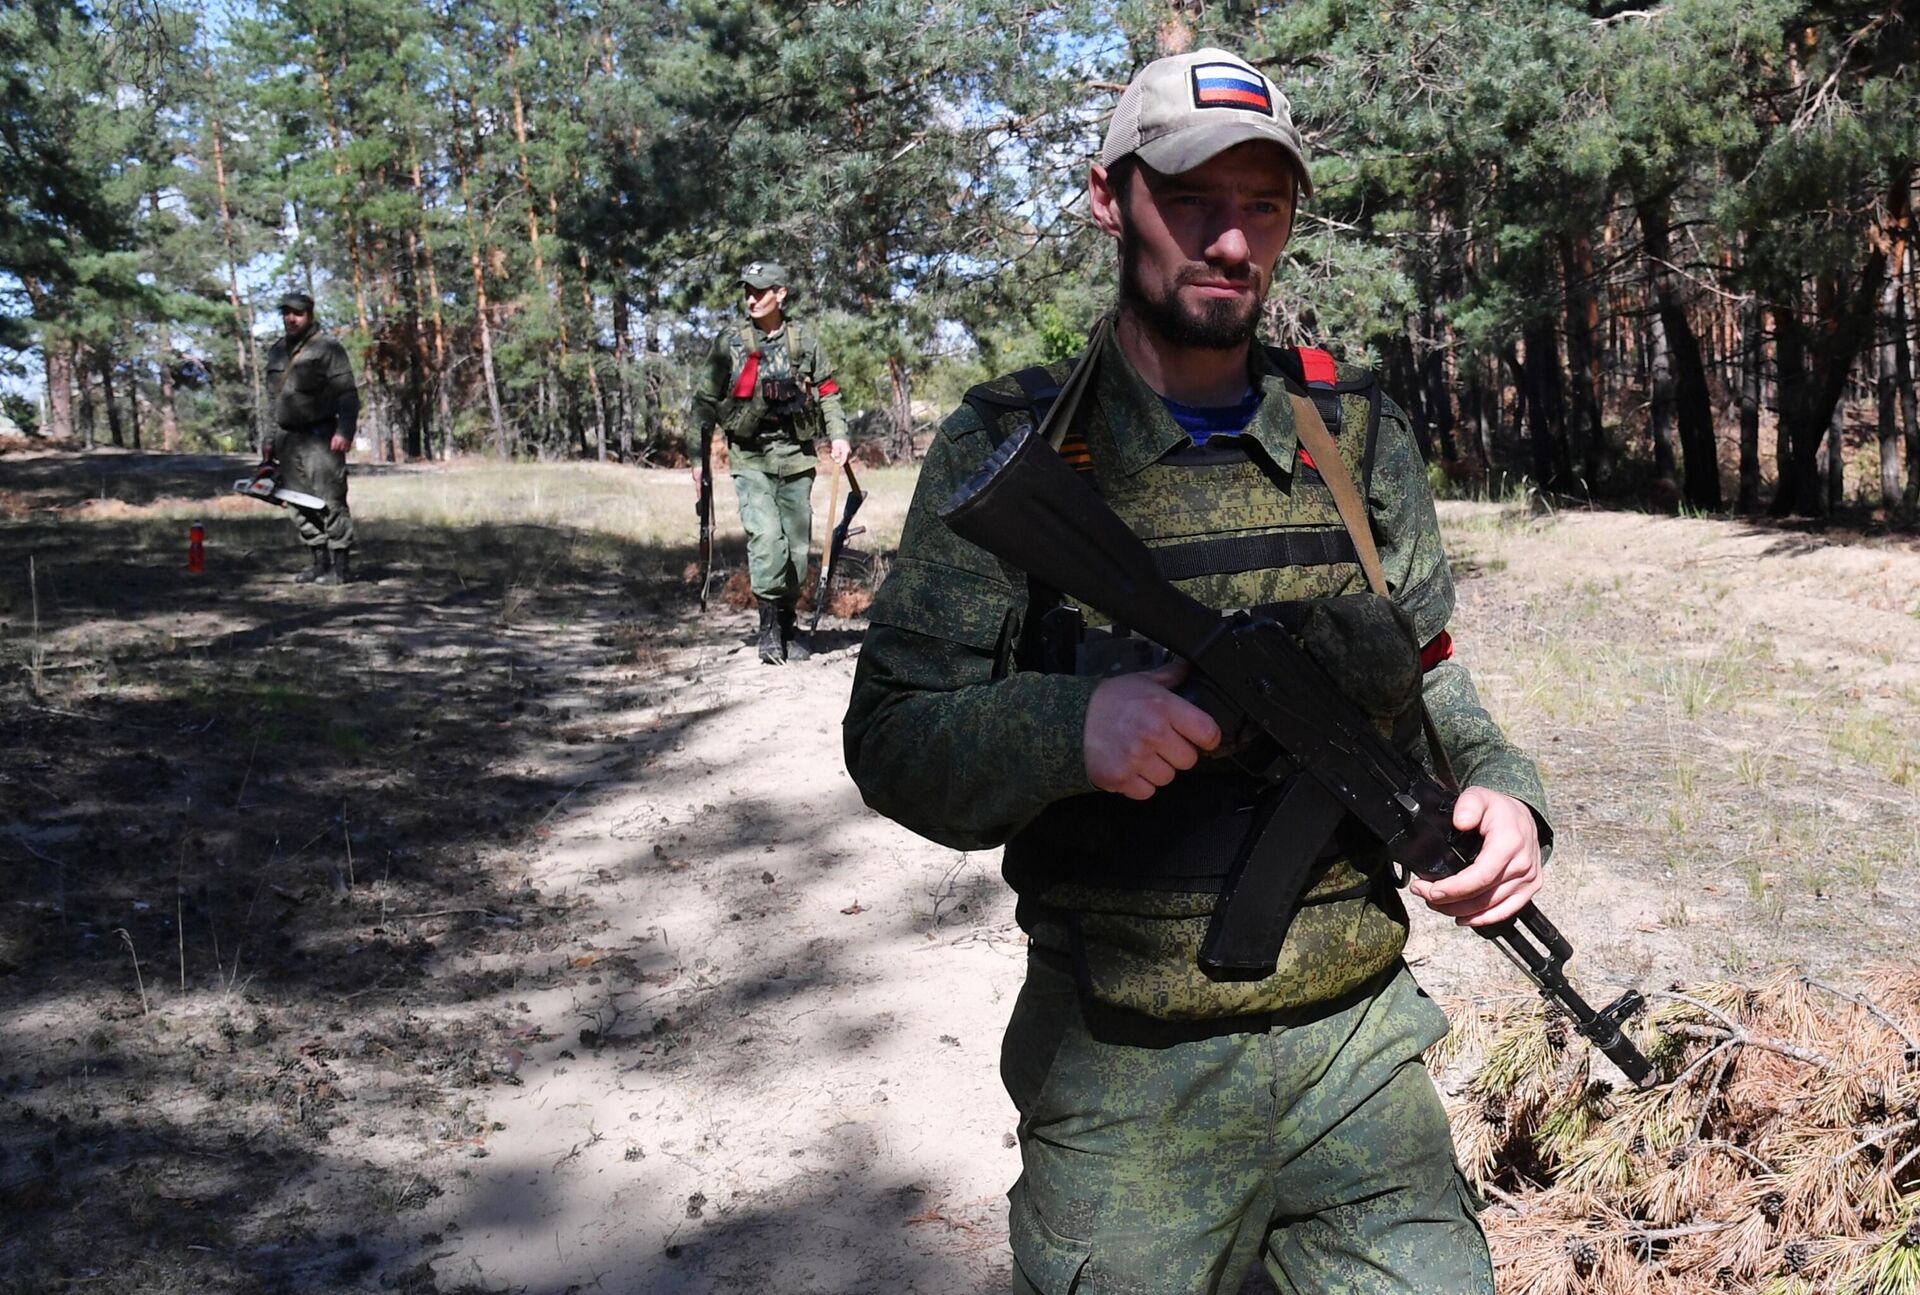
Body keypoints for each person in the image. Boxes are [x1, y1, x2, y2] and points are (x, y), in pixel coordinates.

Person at [844, 49, 1553, 1295]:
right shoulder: (1017, 450)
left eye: (1264, 206)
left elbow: (1431, 679)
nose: (1232, 241)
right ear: (1108, 197)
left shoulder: (1356, 435)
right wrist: (1072, 727)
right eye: (1192, 200)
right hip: (1124, 1078)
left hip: (1360, 1057)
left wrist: (1503, 793)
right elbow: (896, 735)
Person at [688, 262, 851, 664]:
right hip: (751, 457)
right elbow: (704, 402)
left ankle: (787, 625)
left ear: (780, 294)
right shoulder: (730, 343)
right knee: (766, 540)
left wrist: (839, 435)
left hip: (796, 458)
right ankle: (767, 630)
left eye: (760, 291)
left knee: (796, 549)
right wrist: (698, 457)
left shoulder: (804, 342)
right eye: (747, 291)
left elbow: (828, 391)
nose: (751, 298)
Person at [259, 292, 360, 585]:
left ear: (310, 315)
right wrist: (268, 439)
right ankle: (318, 562)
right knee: (297, 502)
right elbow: (271, 400)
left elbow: (347, 394)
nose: (291, 318)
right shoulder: (277, 351)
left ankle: (340, 568)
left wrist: (345, 431)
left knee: (331, 501)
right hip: (287, 439)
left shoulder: (328, 348)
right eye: (287, 313)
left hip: (321, 437)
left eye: (298, 313)